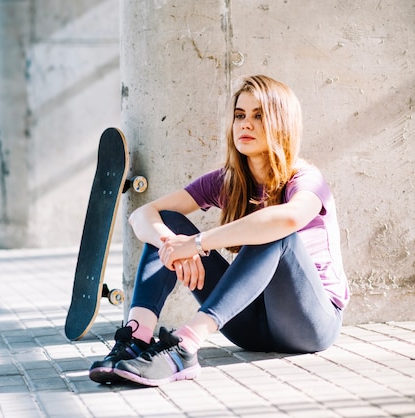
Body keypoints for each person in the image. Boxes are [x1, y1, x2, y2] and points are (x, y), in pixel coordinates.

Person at [88, 75, 349, 387]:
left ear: (282, 123)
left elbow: (289, 220)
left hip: (309, 324)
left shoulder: (306, 179)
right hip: (248, 325)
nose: (245, 124)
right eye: (240, 115)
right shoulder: (227, 181)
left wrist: (197, 244)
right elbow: (144, 215)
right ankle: (136, 339)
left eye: (259, 115)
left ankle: (184, 346)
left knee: (275, 230)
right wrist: (172, 246)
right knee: (168, 223)